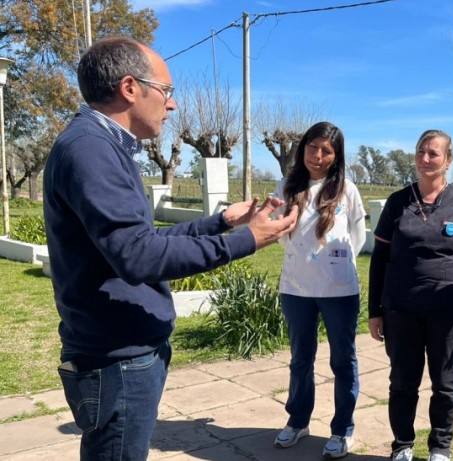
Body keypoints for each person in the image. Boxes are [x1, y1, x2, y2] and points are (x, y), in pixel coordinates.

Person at [42, 37, 298, 460]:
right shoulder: (91, 149)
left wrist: (221, 223)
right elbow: (139, 257)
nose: (172, 104)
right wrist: (247, 240)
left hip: (123, 352)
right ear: (130, 88)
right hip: (117, 358)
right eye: (167, 91)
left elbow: (140, 240)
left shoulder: (101, 145)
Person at [367, 130, 453, 461]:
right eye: (421, 151)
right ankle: (402, 445)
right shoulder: (397, 202)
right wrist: (375, 310)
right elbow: (379, 258)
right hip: (401, 310)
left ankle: (440, 448)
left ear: (448, 160)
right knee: (402, 383)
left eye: (433, 153)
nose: (425, 158)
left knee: (445, 384)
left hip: (450, 312)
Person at [271, 121, 366, 459]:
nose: (318, 155)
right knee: (301, 359)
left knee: (343, 360)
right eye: (313, 147)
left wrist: (334, 266)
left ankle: (342, 429)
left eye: (327, 150)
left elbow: (357, 237)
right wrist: (303, 259)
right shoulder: (287, 186)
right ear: (303, 148)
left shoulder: (347, 190)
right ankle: (298, 421)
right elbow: (280, 232)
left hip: (339, 292)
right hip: (296, 288)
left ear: (336, 155)